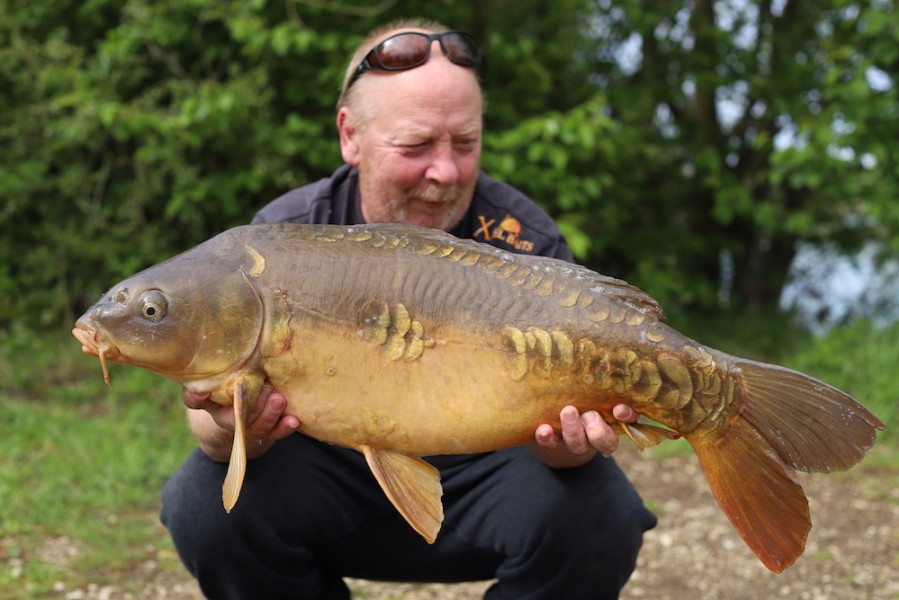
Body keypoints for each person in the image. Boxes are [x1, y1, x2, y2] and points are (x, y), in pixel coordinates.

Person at [161, 18, 656, 600]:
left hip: (487, 464)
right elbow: (211, 427)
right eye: (416, 145)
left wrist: (564, 444)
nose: (444, 172)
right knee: (201, 502)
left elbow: (566, 453)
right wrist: (226, 427)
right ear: (351, 136)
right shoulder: (280, 242)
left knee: (603, 515)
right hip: (331, 466)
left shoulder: (525, 241)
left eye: (465, 144)